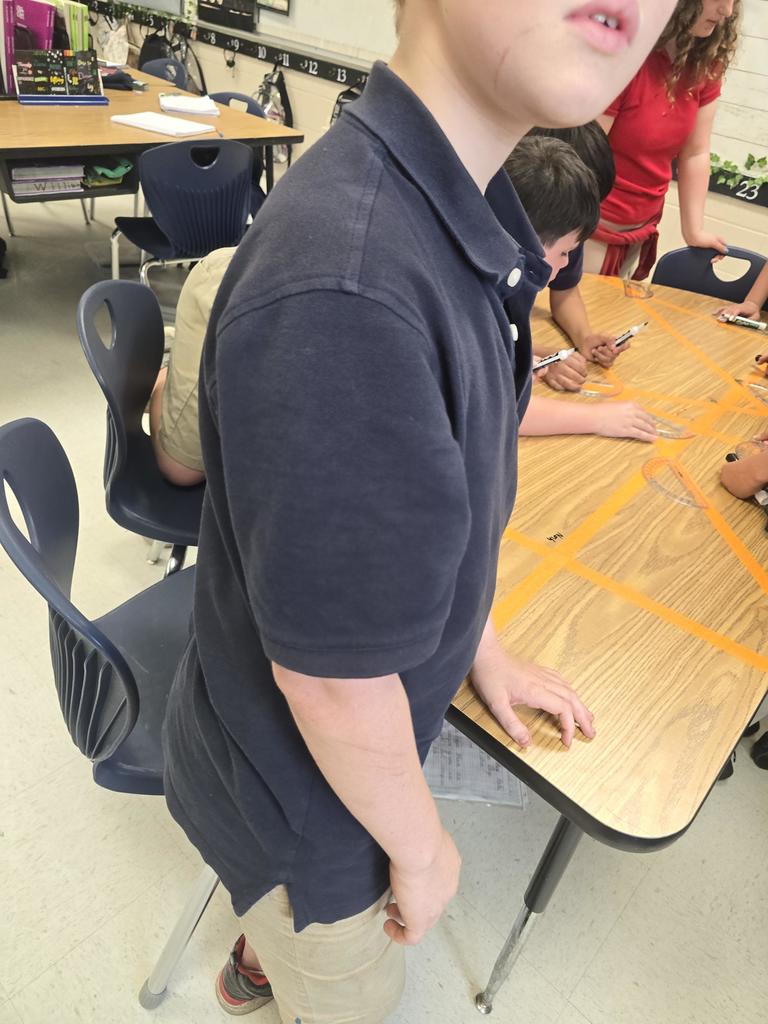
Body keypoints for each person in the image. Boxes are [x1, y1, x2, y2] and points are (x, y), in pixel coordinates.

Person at [161, 1, 677, 1022]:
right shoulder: (355, 287)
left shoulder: (455, 220)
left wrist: (483, 648)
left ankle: (268, 951)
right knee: (350, 990)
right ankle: (275, 954)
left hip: (317, 772)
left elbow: (447, 507)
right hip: (313, 818)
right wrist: (424, 848)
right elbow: (335, 684)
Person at [505, 136, 657, 443]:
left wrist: (541, 359)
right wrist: (598, 417)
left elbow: (497, 346)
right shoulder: (476, 290)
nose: (566, 263)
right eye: (564, 253)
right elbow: (503, 410)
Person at [585, 0, 740, 280]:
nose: (727, 11)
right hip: (590, 224)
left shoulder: (704, 64)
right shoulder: (628, 55)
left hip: (640, 227)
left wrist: (693, 230)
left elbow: (695, 152)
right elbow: (582, 154)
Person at [528, 122, 627, 380]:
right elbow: (470, 337)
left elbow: (565, 289)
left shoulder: (567, 230)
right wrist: (541, 359)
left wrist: (584, 338)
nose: (566, 258)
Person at [148, 247, 236, 487]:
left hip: (248, 507)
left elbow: (181, 468)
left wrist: (163, 383)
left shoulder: (226, 274)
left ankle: (166, 379)